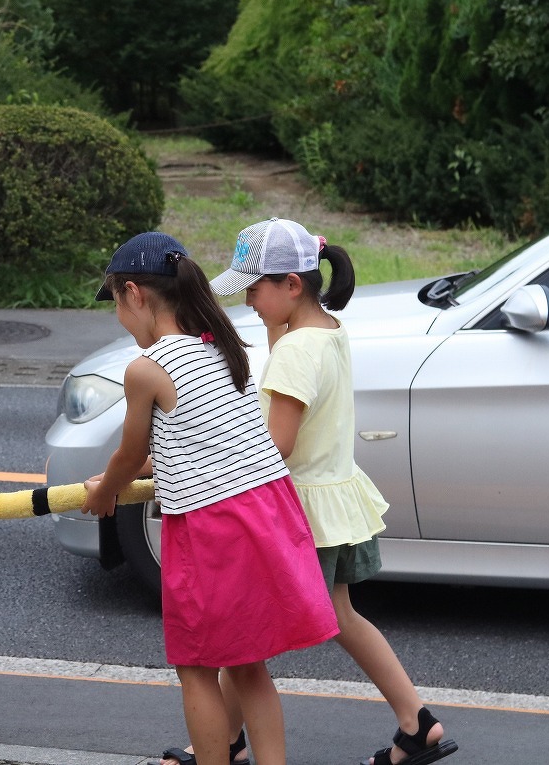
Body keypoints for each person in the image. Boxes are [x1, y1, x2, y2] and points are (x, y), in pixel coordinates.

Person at [198, 217, 459, 765]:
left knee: (245, 638)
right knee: (341, 617)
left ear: (291, 285)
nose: (247, 299)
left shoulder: (295, 350)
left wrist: (208, 454)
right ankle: (418, 722)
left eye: (254, 286)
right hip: (335, 501)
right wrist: (275, 333)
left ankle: (222, 744)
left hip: (296, 514)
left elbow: (279, 444)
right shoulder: (327, 332)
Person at [81, 231, 338, 765]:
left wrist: (106, 490)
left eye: (116, 306)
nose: (121, 321)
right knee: (248, 664)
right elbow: (194, 438)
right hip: (267, 507)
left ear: (135, 294)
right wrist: (124, 476)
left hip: (211, 525)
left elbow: (130, 455)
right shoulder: (217, 344)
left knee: (196, 666)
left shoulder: (146, 369)